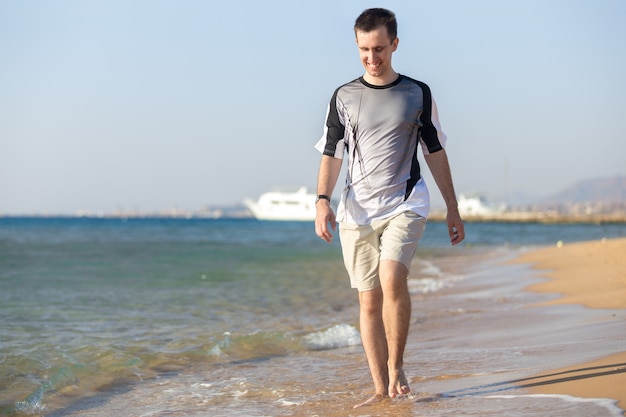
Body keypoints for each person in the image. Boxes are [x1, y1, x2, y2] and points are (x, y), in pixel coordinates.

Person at [314, 8, 465, 409]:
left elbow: (434, 150)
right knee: (367, 300)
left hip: (406, 201)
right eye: (364, 49)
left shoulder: (418, 92)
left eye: (379, 48)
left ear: (394, 44)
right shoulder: (343, 96)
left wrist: (452, 206)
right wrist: (322, 202)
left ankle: (397, 367)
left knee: (392, 278)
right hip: (357, 211)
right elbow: (332, 154)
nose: (371, 57)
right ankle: (380, 388)